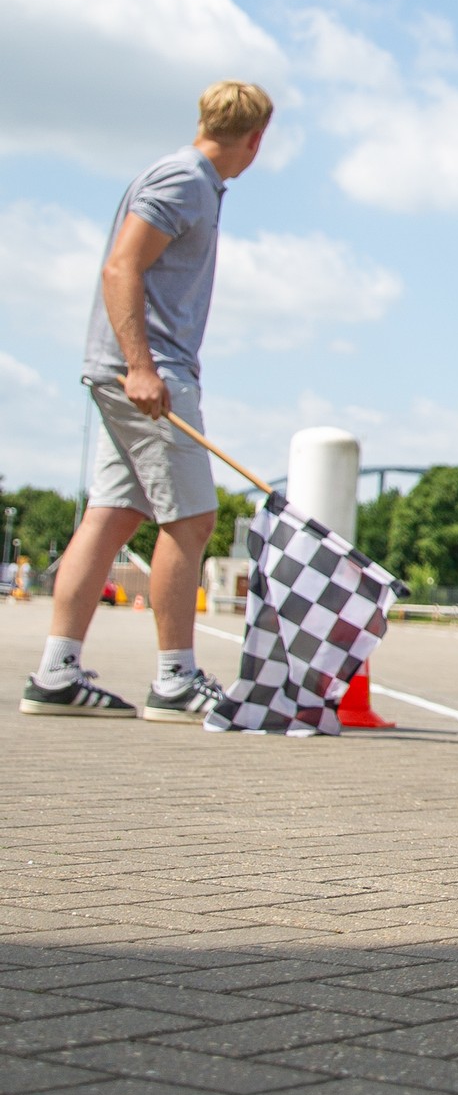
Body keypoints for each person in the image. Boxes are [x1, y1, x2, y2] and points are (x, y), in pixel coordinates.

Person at [27, 79, 275, 722]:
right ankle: (174, 679)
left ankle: (56, 673)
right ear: (256, 140)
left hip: (133, 370)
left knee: (112, 516)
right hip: (149, 374)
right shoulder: (185, 180)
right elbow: (121, 267)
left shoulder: (190, 180)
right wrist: (140, 367)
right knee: (191, 521)